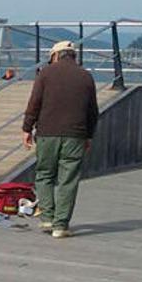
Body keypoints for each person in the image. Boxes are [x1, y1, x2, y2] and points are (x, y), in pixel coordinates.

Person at [22, 41, 98, 238]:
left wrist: (27, 128)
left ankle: (47, 217)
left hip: (47, 133)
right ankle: (61, 226)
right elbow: (92, 111)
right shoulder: (86, 76)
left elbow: (34, 103)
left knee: (44, 174)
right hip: (76, 135)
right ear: (74, 56)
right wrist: (89, 135)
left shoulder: (45, 73)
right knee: (68, 180)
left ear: (55, 56)